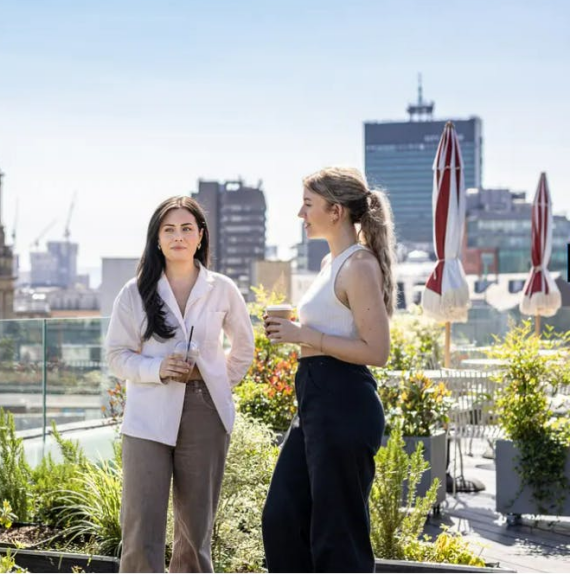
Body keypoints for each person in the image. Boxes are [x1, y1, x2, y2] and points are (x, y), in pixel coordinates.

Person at [105, 195, 254, 572]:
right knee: (140, 532)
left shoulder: (222, 289)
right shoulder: (134, 292)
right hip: (147, 417)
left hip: (205, 412)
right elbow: (116, 356)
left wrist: (215, 379)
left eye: (187, 228)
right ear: (157, 239)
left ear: (201, 236)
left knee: (194, 535)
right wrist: (158, 368)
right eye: (168, 229)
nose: (178, 237)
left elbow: (244, 348)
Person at [261, 167, 395, 572]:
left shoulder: (359, 265)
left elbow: (377, 350)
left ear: (335, 211)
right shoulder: (329, 263)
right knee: (283, 517)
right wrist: (297, 336)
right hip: (315, 399)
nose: (301, 214)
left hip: (344, 401)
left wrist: (306, 335)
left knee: (337, 536)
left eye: (307, 205)